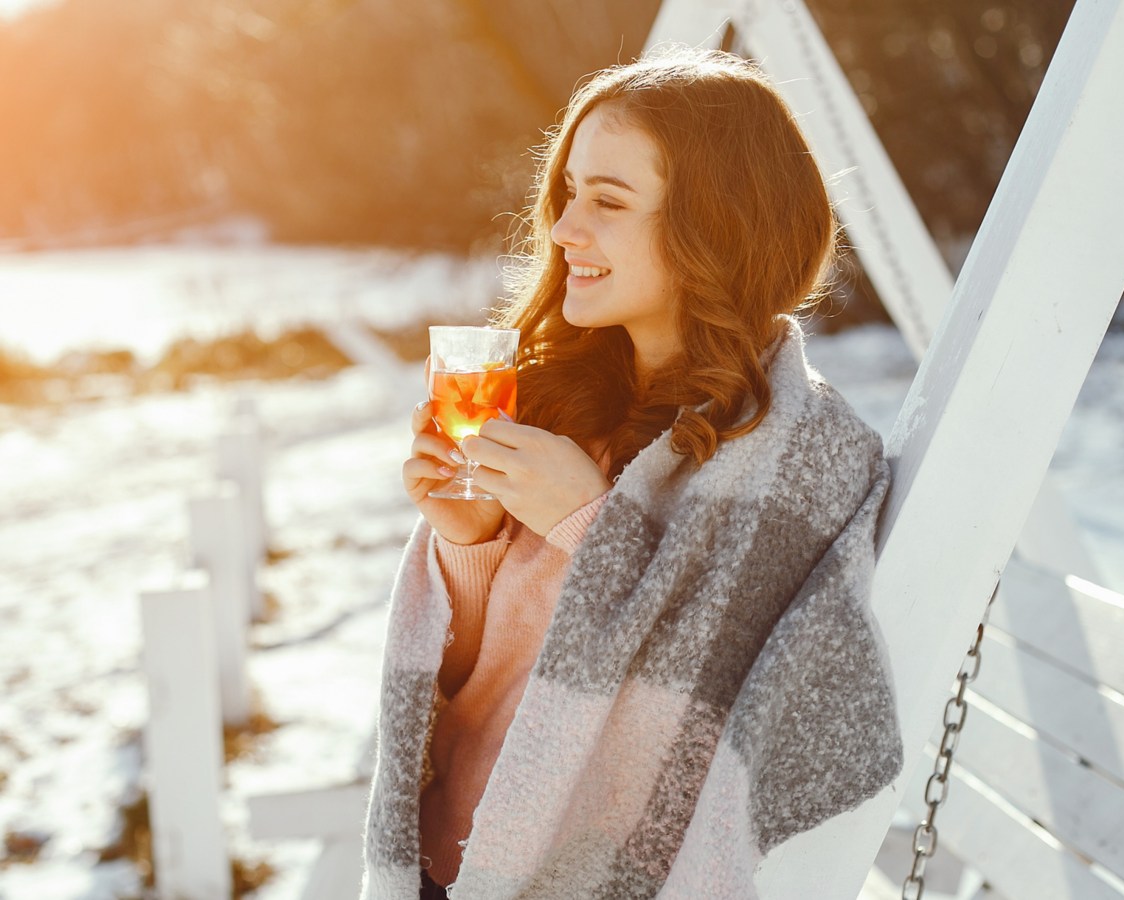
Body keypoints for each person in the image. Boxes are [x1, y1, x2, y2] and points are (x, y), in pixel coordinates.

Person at [362, 46, 903, 900]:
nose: (564, 229)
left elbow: (719, 705)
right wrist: (467, 551)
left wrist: (588, 524)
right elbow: (475, 683)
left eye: (608, 202)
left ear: (716, 226)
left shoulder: (800, 456)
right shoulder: (551, 401)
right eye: (569, 193)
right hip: (452, 863)